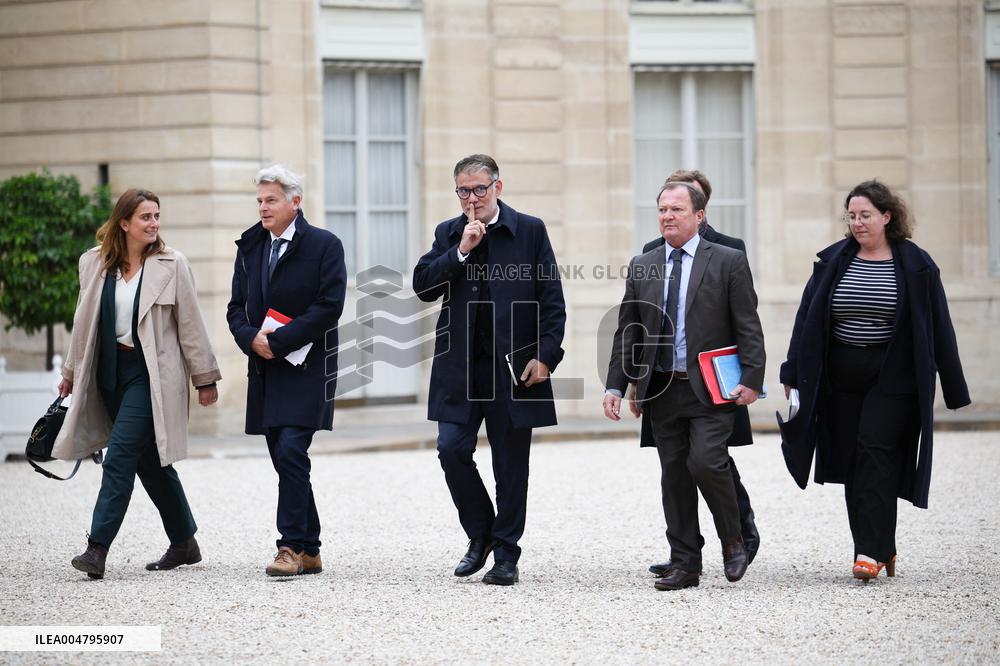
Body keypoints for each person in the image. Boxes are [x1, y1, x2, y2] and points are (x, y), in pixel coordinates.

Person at [779, 179, 970, 580]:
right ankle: (879, 547)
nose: (858, 223)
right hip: (841, 375)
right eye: (852, 216)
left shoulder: (917, 265)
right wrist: (792, 372)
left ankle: (870, 551)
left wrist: (953, 386)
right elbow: (806, 321)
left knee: (874, 452)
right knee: (852, 461)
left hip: (894, 375)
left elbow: (939, 325)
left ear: (887, 216)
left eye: (865, 215)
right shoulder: (833, 261)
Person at [603, 182, 765, 591]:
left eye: (676, 209)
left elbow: (748, 325)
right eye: (662, 210)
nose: (667, 216)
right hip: (662, 389)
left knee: (707, 461)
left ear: (699, 216)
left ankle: (733, 540)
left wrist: (752, 379)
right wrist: (616, 386)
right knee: (673, 474)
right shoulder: (644, 264)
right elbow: (629, 331)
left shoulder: (728, 261)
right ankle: (685, 563)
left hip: (711, 388)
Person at [413, 154, 566, 586]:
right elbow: (423, 285)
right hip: (459, 371)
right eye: (464, 190)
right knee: (451, 449)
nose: (472, 198)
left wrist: (547, 356)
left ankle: (506, 556)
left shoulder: (530, 230)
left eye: (480, 189)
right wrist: (461, 249)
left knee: (511, 468)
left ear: (499, 186)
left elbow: (551, 300)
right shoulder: (449, 232)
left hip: (515, 371)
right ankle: (480, 534)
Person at [54, 188, 221, 579]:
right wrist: (70, 373)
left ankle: (97, 548)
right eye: (145, 217)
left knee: (120, 457)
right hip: (108, 373)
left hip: (151, 377)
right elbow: (83, 324)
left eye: (157, 216)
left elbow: (191, 323)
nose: (154, 223)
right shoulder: (94, 264)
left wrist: (204, 377)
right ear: (124, 223)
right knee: (149, 462)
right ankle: (184, 542)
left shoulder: (171, 263)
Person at [226, 165, 347, 577]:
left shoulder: (325, 245)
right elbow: (234, 308)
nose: (263, 208)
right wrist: (251, 339)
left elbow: (330, 306)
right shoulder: (250, 246)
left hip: (308, 367)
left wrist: (279, 341)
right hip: (264, 370)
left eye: (271, 200)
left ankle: (289, 547)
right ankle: (311, 548)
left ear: (295, 202)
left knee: (293, 450)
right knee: (283, 456)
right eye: (259, 201)